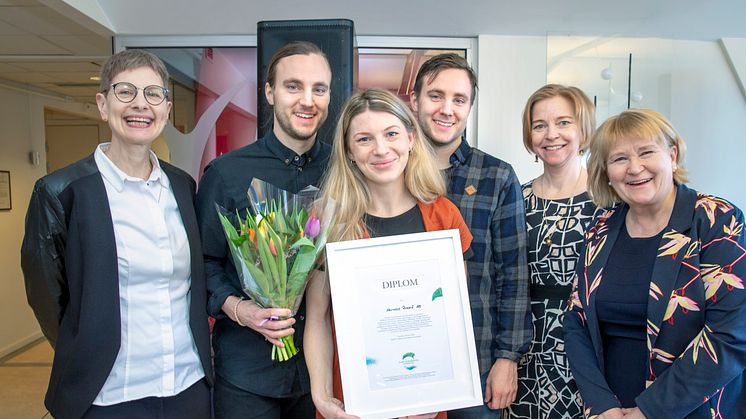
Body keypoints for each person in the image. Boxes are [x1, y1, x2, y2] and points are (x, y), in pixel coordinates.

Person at [20, 49, 212, 419]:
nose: (140, 105)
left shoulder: (182, 187)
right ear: (102, 103)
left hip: (187, 384)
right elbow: (48, 298)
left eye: (153, 94)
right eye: (126, 92)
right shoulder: (61, 192)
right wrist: (87, 345)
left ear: (166, 110)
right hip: (108, 393)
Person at [563, 108, 746, 418]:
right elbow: (575, 321)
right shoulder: (600, 229)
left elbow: (732, 333)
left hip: (691, 408)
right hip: (611, 409)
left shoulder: (716, 219)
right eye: (619, 159)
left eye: (646, 152)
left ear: (672, 156)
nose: (635, 168)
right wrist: (602, 404)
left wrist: (649, 410)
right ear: (606, 172)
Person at [304, 87, 473, 419]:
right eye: (364, 139)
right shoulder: (328, 220)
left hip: (425, 405)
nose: (381, 149)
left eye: (391, 133)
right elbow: (318, 319)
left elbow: (451, 320)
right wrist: (321, 396)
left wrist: (438, 394)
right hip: (351, 405)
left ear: (410, 138)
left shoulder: (444, 216)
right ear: (349, 151)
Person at [195, 40, 332, 419]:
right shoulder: (226, 174)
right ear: (270, 92)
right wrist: (242, 310)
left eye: (319, 89)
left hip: (323, 375)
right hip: (246, 375)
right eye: (293, 86)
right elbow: (202, 263)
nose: (308, 100)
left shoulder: (346, 173)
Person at [409, 53, 532, 418]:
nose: (447, 109)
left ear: (469, 108)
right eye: (436, 96)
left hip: (475, 363)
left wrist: (507, 358)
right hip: (403, 359)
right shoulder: (387, 171)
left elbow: (514, 273)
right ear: (414, 101)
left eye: (459, 100)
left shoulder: (497, 176)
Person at [505, 84, 599, 418]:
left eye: (563, 122)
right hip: (525, 342)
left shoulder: (609, 199)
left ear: (583, 129)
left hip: (587, 343)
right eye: (539, 125)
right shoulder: (516, 197)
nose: (551, 134)